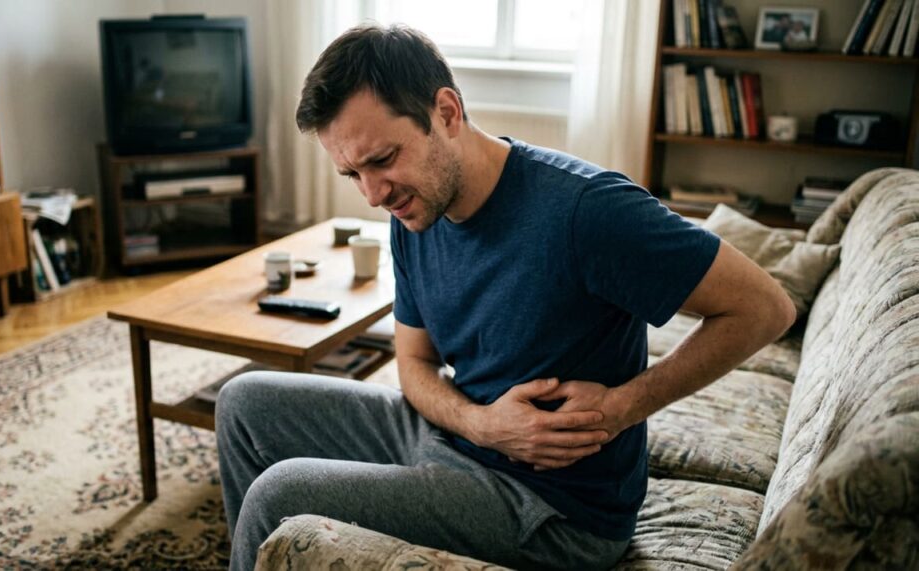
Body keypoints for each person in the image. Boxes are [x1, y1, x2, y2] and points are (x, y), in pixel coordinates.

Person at [215, 24, 795, 571]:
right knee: (243, 403)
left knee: (279, 494)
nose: (372, 194)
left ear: (445, 112)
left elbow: (765, 307)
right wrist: (481, 424)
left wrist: (622, 407)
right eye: (352, 175)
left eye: (382, 160)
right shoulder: (413, 209)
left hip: (552, 506)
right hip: (464, 439)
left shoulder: (585, 211)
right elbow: (413, 364)